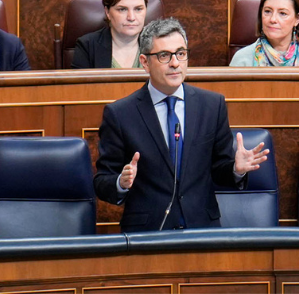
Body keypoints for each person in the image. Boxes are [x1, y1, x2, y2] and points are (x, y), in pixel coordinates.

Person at [94, 17, 269, 232]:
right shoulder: (120, 114)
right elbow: (102, 181)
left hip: (202, 230)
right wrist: (121, 182)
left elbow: (219, 170)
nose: (175, 63)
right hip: (147, 233)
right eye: (164, 56)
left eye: (181, 54)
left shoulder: (212, 106)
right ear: (145, 62)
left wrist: (236, 168)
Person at [72, 0, 148, 69]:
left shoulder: (160, 45)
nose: (131, 17)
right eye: (122, 9)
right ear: (107, 12)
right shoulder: (87, 46)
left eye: (138, 9)